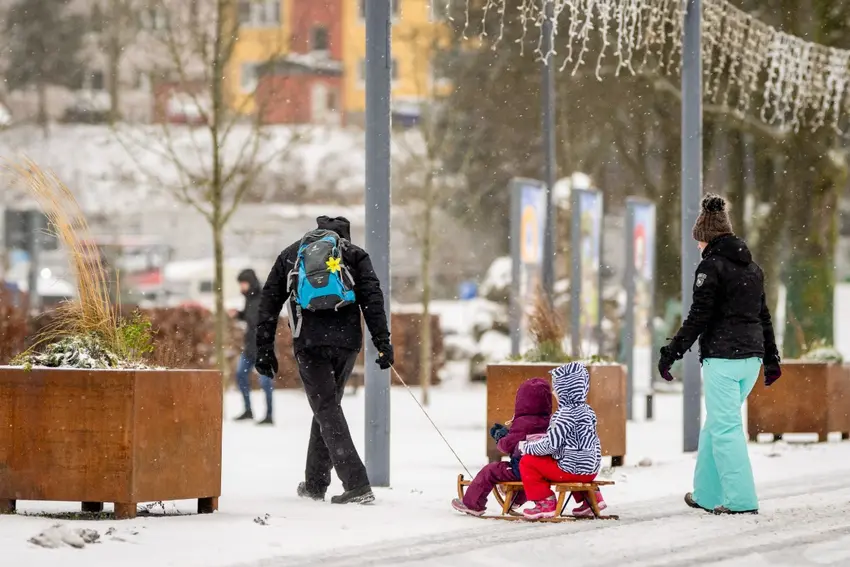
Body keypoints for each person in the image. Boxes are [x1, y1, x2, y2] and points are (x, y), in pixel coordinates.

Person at [255, 216, 393, 505]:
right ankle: (315, 484)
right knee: (328, 408)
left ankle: (356, 483)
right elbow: (372, 298)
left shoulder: (293, 254)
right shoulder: (354, 254)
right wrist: (382, 341)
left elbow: (269, 300)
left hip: (309, 342)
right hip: (346, 343)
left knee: (326, 408)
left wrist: (264, 348)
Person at [658, 194, 781, 516]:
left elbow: (699, 315)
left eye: (699, 240)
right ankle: (706, 494)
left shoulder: (711, 266)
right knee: (717, 424)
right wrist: (771, 359)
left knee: (725, 429)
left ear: (707, 238)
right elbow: (763, 316)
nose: (698, 246)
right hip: (751, 360)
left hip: (724, 359)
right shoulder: (753, 268)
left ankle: (741, 500)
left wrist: (671, 352)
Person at [451, 378, 553, 517]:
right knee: (527, 473)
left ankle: (472, 504)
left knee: (490, 471)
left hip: (521, 469)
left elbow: (507, 446)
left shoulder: (523, 423)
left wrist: (501, 438)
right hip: (544, 470)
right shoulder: (551, 421)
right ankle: (516, 500)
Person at [519, 362, 604, 520]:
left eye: (556, 388)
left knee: (528, 462)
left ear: (565, 390)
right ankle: (592, 498)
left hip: (571, 471)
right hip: (590, 471)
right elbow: (588, 442)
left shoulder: (564, 415)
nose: (553, 392)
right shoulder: (588, 411)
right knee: (572, 458)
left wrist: (528, 447)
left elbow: (551, 445)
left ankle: (545, 503)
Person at [231, 269, 274, 425]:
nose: (241, 287)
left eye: (243, 283)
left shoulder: (263, 297)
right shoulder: (249, 298)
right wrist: (238, 315)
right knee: (240, 375)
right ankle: (248, 410)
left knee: (265, 382)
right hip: (249, 346)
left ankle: (269, 415)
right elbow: (249, 317)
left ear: (250, 282)